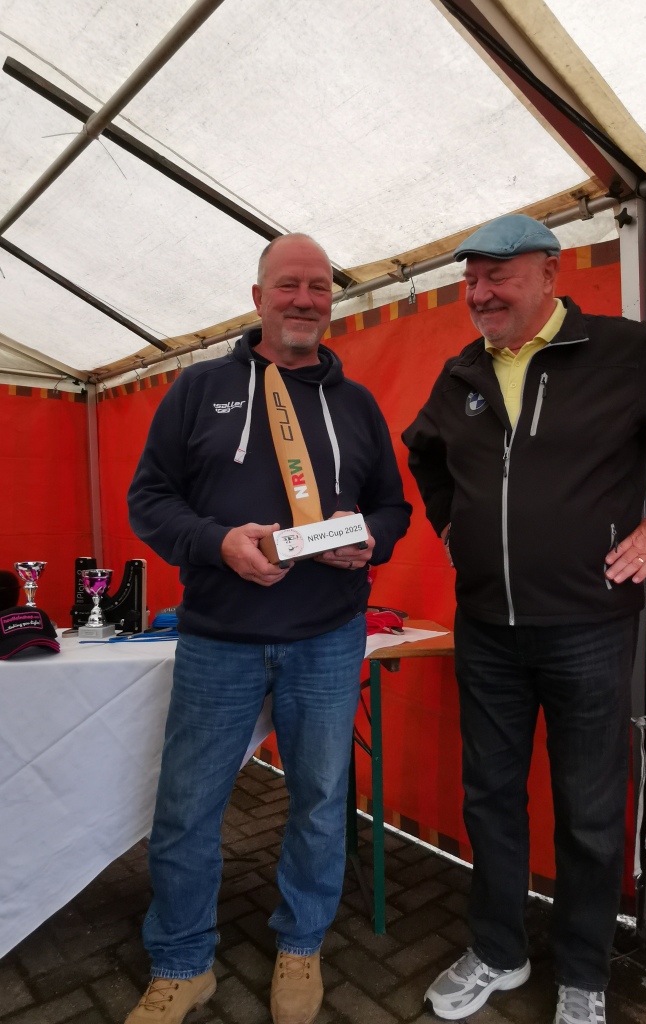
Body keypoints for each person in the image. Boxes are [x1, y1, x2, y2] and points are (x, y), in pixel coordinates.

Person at [402, 214, 646, 1024]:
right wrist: (452, 525)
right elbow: (424, 451)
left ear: (549, 273)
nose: (479, 294)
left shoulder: (620, 352)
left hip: (589, 629)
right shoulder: (462, 373)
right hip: (486, 630)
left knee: (591, 810)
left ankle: (584, 974)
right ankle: (499, 952)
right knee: (490, 797)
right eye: (470, 280)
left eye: (497, 276)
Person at [126, 233, 411, 1024]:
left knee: (320, 800)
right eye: (289, 285)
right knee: (187, 809)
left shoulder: (356, 404)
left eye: (319, 287)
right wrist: (218, 543)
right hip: (219, 638)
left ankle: (300, 944)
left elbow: (393, 506)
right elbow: (149, 500)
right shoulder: (199, 388)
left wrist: (371, 539)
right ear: (258, 298)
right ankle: (183, 964)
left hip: (328, 636)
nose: (305, 300)